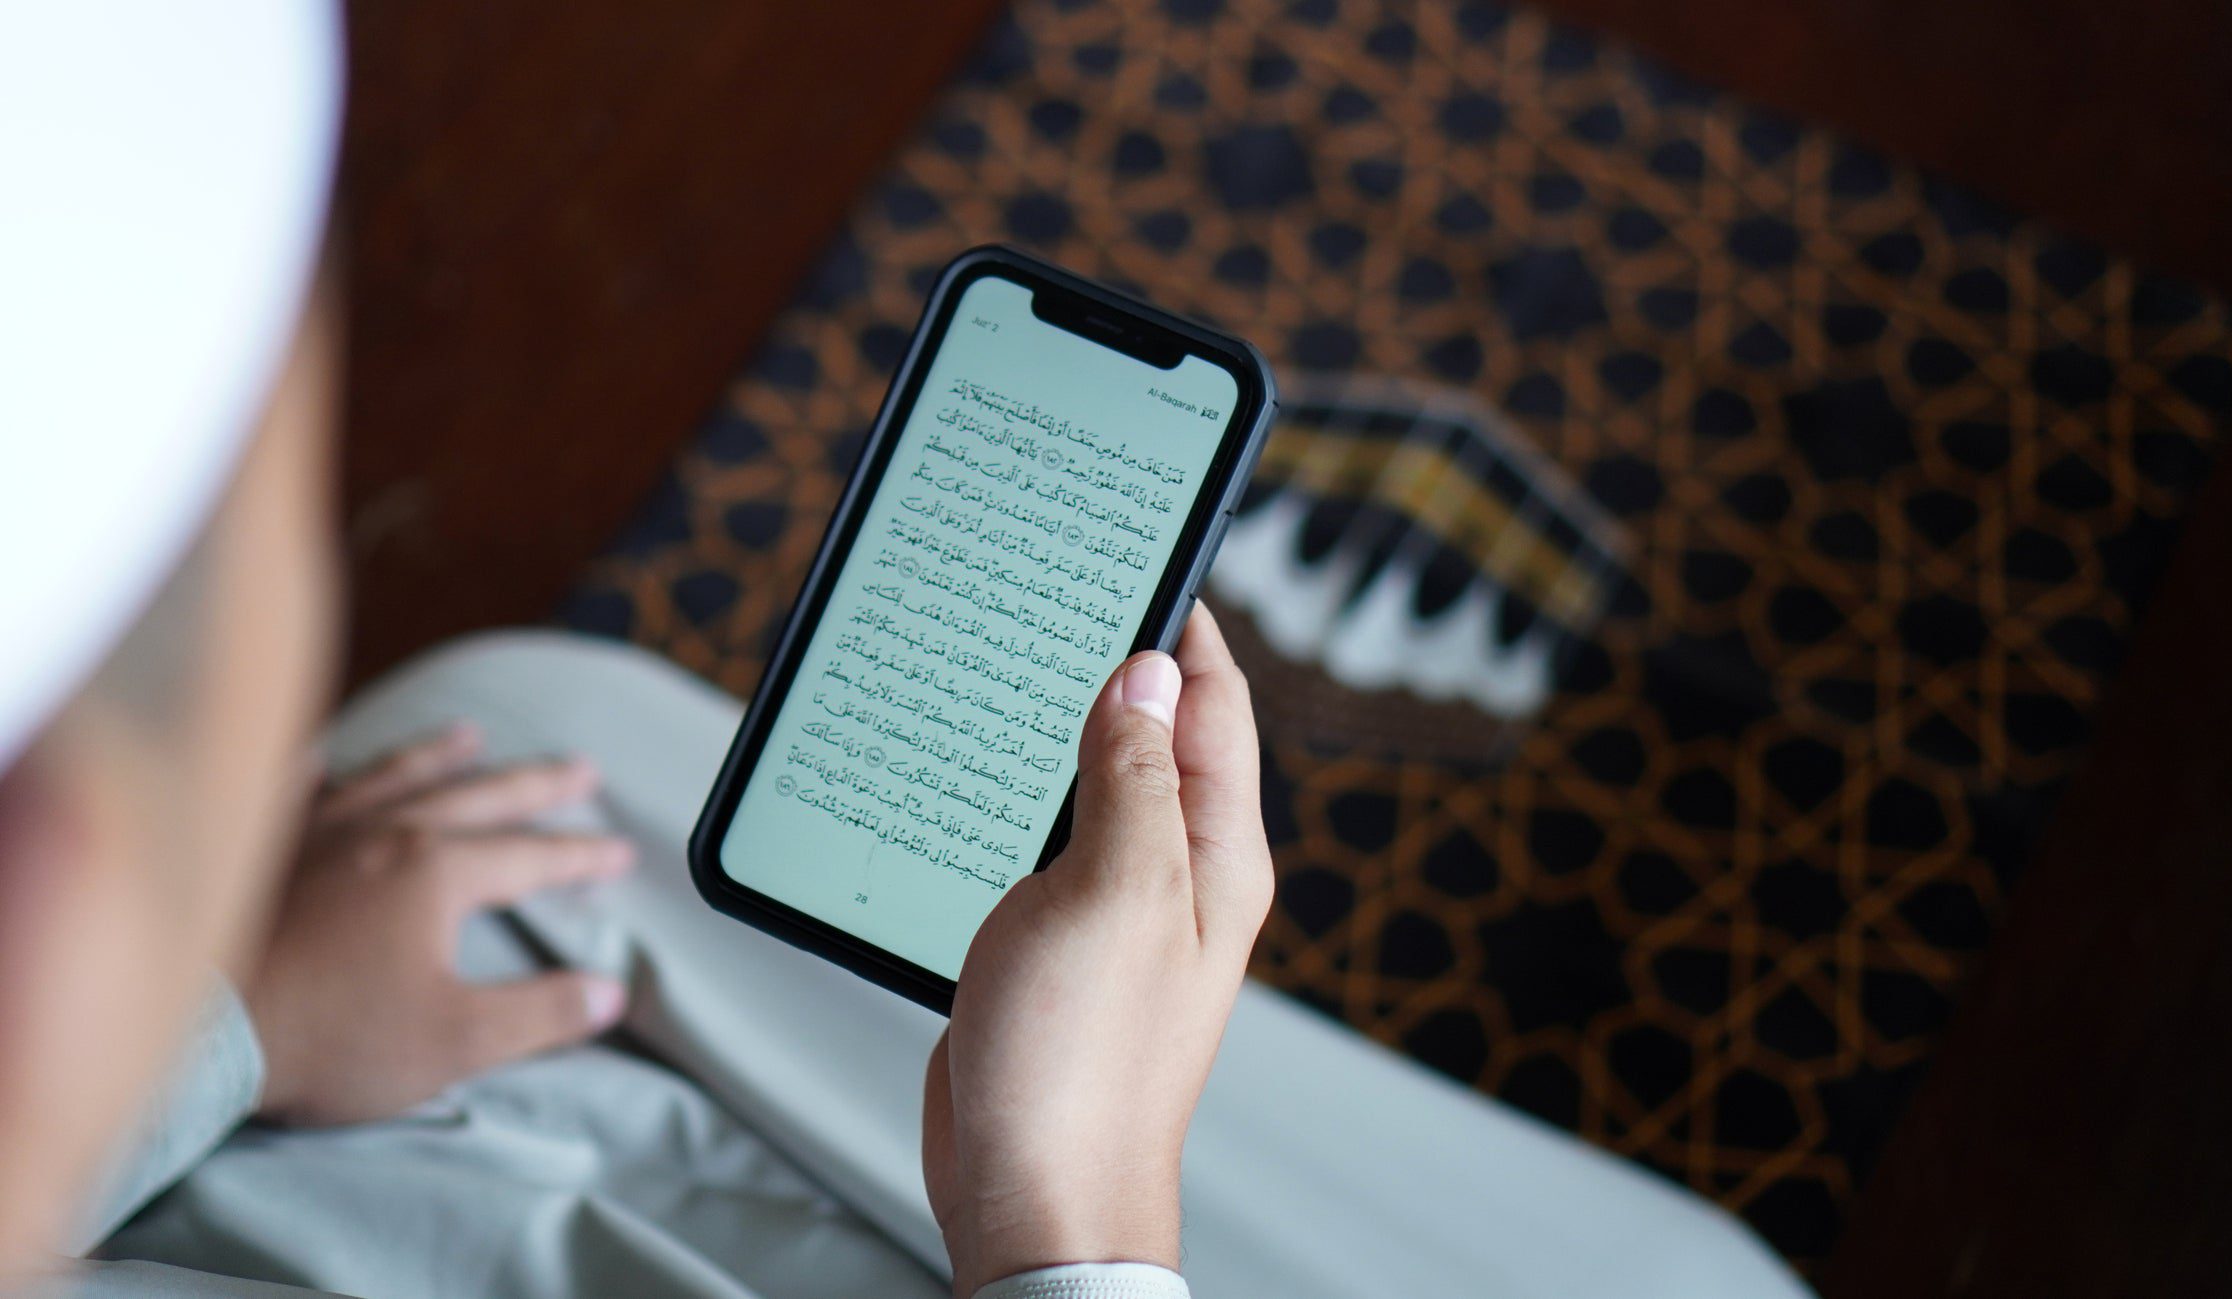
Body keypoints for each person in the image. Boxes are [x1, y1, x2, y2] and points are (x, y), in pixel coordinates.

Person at [0, 3, 1810, 1296]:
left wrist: (225, 1033)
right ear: (55, 880)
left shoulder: (101, 970)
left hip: (259, 1102)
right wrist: (1075, 1218)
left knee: (515, 728)